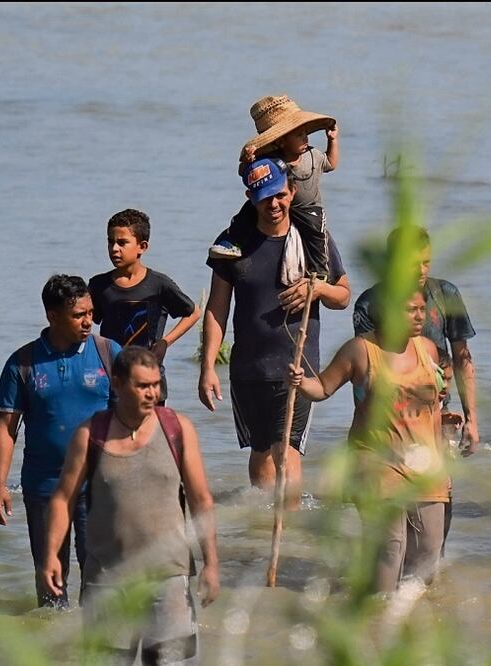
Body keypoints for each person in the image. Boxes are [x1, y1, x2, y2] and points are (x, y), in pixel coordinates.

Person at [41, 346, 219, 664]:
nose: (152, 393)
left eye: (155, 385)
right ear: (117, 384)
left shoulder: (178, 429)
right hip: (108, 577)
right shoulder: (89, 435)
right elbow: (62, 499)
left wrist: (211, 563)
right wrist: (51, 555)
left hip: (169, 576)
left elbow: (200, 499)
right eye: (142, 386)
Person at [199, 157, 350, 506]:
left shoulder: (313, 240)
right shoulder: (232, 244)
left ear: (292, 191)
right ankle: (265, 526)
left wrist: (317, 289)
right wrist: (208, 367)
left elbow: (342, 295)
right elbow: (216, 308)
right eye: (265, 197)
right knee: (261, 451)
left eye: (280, 195)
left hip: (297, 367)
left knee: (288, 451)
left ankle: (291, 527)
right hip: (248, 369)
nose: (275, 204)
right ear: (251, 198)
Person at [290, 290, 449, 593]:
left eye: (421, 309)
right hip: (376, 464)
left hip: (426, 466)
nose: (420, 316)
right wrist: (300, 382)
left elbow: (435, 411)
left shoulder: (428, 349)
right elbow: (323, 387)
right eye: (409, 309)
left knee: (428, 553)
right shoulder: (360, 351)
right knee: (390, 550)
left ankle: (414, 625)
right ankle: (377, 620)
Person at [0, 274, 121, 608]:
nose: (88, 320)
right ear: (52, 315)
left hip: (99, 486)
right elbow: (6, 427)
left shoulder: (109, 352)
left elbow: (137, 417)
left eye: (91, 312)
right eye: (79, 315)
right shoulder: (23, 362)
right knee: (50, 586)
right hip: (44, 486)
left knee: (100, 581)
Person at [352, 225, 479, 452]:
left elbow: (462, 360)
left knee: (439, 486)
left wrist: (471, 420)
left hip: (436, 413)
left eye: (426, 262)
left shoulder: (445, 295)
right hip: (385, 420)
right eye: (413, 264)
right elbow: (365, 370)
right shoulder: (370, 303)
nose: (422, 271)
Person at [209, 94, 339, 278]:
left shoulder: (313, 155)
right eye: (299, 134)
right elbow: (246, 174)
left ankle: (319, 272)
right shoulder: (270, 160)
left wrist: (332, 140)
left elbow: (331, 163)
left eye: (305, 134)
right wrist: (248, 161)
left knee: (316, 235)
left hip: (308, 207)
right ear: (281, 140)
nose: (305, 139)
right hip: (278, 204)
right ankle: (231, 241)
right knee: (247, 211)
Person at [89, 209, 200, 404]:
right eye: (110, 241)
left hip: (150, 378)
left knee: (151, 434)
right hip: (112, 380)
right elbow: (87, 324)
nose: (114, 248)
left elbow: (193, 312)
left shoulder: (158, 284)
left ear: (142, 246)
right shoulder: (99, 285)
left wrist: (165, 343)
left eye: (122, 243)